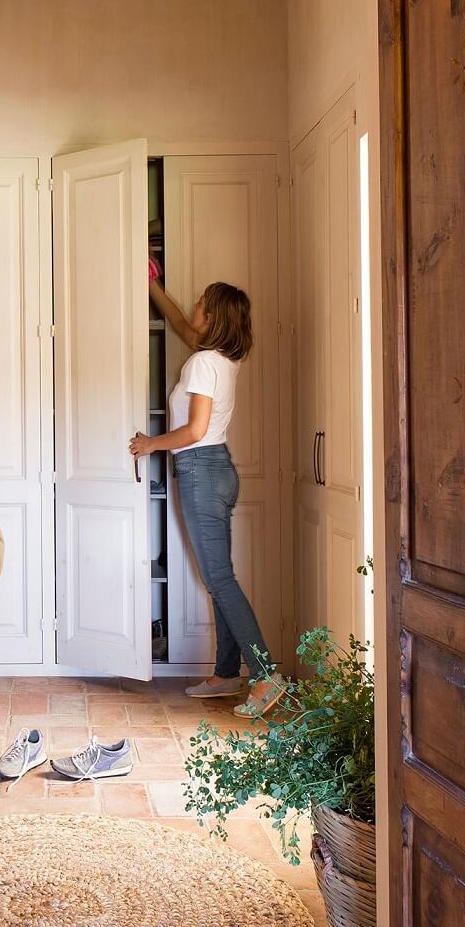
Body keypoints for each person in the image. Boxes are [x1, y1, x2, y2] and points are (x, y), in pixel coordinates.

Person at [129, 268, 285, 718]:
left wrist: (150, 444)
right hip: (218, 470)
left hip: (199, 470)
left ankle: (266, 674)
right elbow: (180, 323)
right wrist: (152, 282)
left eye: (201, 302)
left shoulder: (202, 363)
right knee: (220, 578)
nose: (194, 306)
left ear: (213, 316)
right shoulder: (220, 359)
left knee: (220, 580)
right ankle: (226, 673)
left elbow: (195, 429)